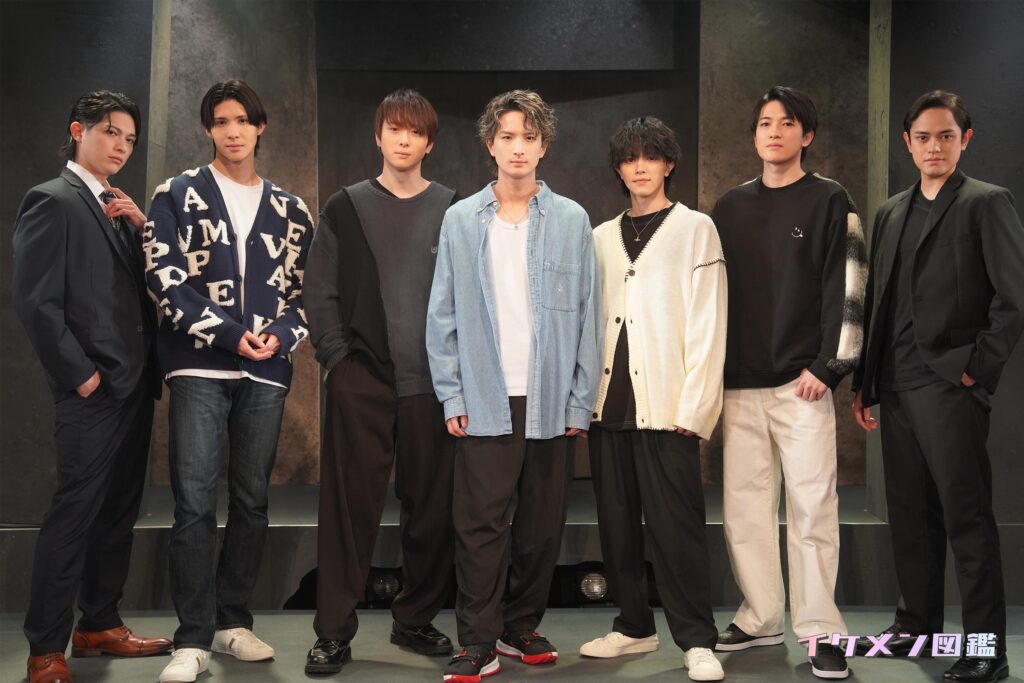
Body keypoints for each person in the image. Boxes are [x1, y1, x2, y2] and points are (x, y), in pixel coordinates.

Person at [425, 89, 601, 683]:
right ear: (490, 144)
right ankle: (478, 641)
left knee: (540, 526)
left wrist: (580, 399)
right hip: (484, 396)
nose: (518, 147)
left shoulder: (572, 219)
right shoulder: (460, 220)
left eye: (529, 136)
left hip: (551, 398)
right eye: (507, 136)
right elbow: (442, 314)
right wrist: (452, 393)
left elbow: (589, 315)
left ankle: (520, 626)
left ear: (544, 145)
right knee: (479, 526)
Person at [144, 80, 315, 683]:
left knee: (251, 500)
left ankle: (231, 622)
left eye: (242, 119)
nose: (232, 130)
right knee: (193, 501)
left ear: (260, 126)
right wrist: (226, 334)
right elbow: (163, 276)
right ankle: (191, 638)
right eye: (221, 121)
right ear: (208, 129)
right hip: (198, 366)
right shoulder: (176, 194)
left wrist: (280, 336)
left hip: (265, 370)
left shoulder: (292, 210)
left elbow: (308, 291)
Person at [852, 90, 1024, 683]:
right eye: (923, 137)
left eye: (946, 136)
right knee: (910, 515)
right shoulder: (890, 211)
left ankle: (986, 650)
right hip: (896, 385)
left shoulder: (986, 202)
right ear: (907, 143)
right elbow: (879, 302)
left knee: (966, 519)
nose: (934, 147)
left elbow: (1013, 298)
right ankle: (916, 626)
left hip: (950, 384)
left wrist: (975, 368)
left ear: (964, 140)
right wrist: (866, 383)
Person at [12, 89, 170, 683]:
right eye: (110, 132)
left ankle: (99, 624)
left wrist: (144, 230)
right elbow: (36, 303)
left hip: (135, 386)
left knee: (117, 514)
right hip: (92, 391)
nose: (122, 146)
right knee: (74, 515)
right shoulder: (52, 200)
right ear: (79, 131)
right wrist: (81, 377)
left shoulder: (119, 208)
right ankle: (45, 650)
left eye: (130, 138)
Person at [711, 85, 866, 680]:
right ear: (754, 134)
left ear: (808, 135)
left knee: (811, 509)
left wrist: (829, 365)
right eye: (765, 123)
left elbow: (849, 283)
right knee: (745, 509)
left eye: (787, 123)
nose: (774, 132)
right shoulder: (730, 207)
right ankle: (760, 616)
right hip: (738, 383)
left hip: (804, 383)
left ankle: (821, 631)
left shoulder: (830, 200)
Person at [302, 89, 458, 675]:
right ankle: (333, 632)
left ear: (429, 142)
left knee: (432, 510)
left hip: (434, 385)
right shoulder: (345, 206)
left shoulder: (453, 208)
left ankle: (415, 619)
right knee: (348, 511)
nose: (403, 139)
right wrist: (338, 362)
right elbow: (319, 289)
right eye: (394, 128)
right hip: (361, 379)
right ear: (378, 135)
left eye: (415, 131)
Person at [578, 117, 727, 681]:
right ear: (618, 169)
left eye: (650, 156)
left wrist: (696, 407)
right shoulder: (599, 236)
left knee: (676, 530)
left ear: (669, 164)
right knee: (617, 526)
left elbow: (709, 321)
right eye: (629, 158)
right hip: (607, 407)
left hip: (668, 408)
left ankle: (697, 640)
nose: (639, 167)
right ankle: (634, 626)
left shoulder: (696, 229)